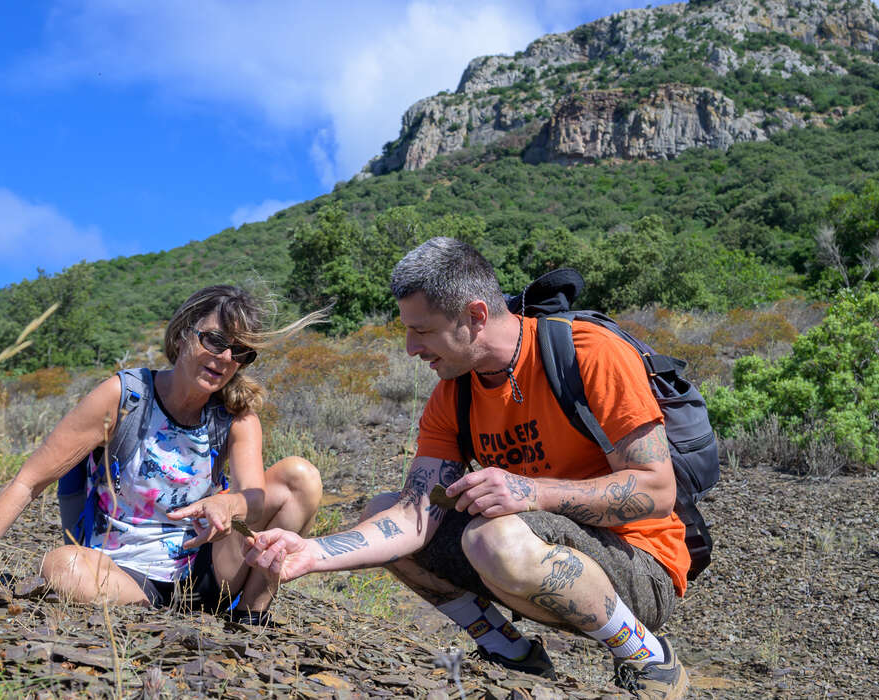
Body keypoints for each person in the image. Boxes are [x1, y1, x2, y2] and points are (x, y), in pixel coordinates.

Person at [245, 238, 691, 699]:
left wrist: (532, 492)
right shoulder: (453, 392)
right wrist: (313, 553)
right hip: (526, 550)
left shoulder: (589, 353)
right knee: (381, 509)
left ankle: (648, 657)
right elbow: (413, 517)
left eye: (423, 330)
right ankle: (509, 652)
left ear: (476, 316)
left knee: (491, 536)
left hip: (639, 566)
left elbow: (658, 491)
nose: (410, 347)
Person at [0, 285, 324, 622]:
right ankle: (155, 610)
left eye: (240, 352)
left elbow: (256, 499)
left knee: (300, 478)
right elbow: (29, 482)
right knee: (62, 567)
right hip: (122, 573)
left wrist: (229, 506)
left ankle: (250, 615)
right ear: (183, 334)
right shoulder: (125, 397)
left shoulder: (235, 414)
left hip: (207, 567)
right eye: (214, 341)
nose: (225, 358)